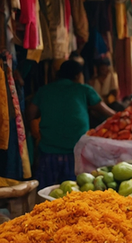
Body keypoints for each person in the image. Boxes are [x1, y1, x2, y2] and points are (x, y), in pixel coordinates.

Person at [26, 60, 115, 188]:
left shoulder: (44, 90)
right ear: (78, 75)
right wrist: (124, 114)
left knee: (45, 193)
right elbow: (107, 112)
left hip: (49, 152)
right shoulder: (84, 89)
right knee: (75, 193)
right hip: (76, 153)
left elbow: (30, 113)